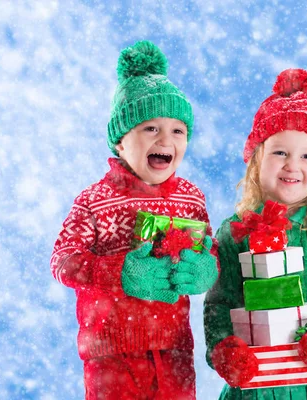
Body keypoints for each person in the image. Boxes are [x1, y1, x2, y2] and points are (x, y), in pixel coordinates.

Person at [51, 40, 218, 400]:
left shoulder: (191, 199)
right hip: (112, 355)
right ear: (120, 142)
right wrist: (118, 273)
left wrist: (206, 268)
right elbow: (63, 260)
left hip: (174, 352)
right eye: (150, 128)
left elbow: (211, 249)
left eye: (178, 130)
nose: (166, 139)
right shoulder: (95, 200)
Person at [203, 68, 307, 399]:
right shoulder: (233, 233)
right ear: (256, 161)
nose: (293, 165)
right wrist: (223, 349)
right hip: (255, 389)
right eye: (280, 152)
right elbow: (219, 302)